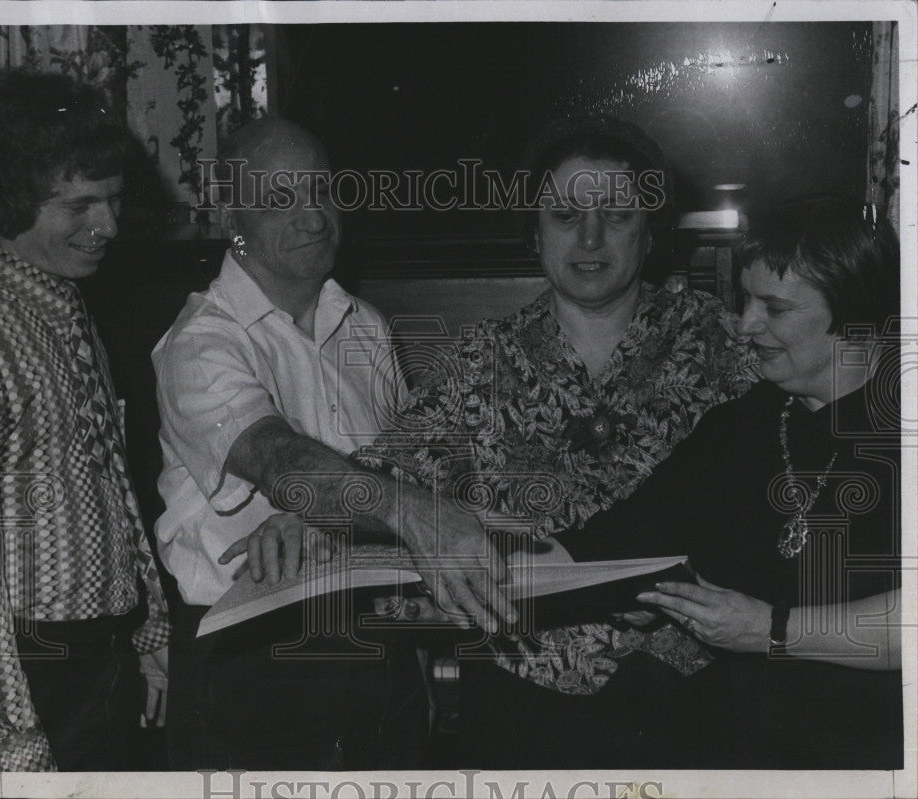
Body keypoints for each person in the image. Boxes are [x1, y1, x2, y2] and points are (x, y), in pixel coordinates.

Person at [242, 113, 759, 767]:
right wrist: (301, 520)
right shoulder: (482, 359)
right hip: (520, 696)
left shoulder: (719, 342)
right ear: (534, 235)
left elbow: (777, 489)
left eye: (617, 214)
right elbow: (384, 479)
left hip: (687, 692)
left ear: (651, 230)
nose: (590, 236)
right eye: (565, 215)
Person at [552, 195, 903, 769]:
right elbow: (614, 539)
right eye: (746, 300)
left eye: (776, 308)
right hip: (744, 747)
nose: (745, 325)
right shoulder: (740, 425)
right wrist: (477, 562)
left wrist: (772, 631)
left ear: (855, 313)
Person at [153, 118, 441, 769]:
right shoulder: (203, 340)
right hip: (252, 662)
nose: (313, 218)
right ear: (233, 216)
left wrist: (412, 669)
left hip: (376, 642)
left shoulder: (366, 326)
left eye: (321, 191)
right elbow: (282, 462)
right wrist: (425, 517)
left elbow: (407, 470)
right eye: (280, 200)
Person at [0, 69, 170, 772]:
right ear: (0, 197)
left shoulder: (64, 302)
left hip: (100, 661)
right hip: (29, 675)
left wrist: (150, 628)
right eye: (79, 205)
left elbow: (113, 478)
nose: (106, 225)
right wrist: (10, 736)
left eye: (113, 200)